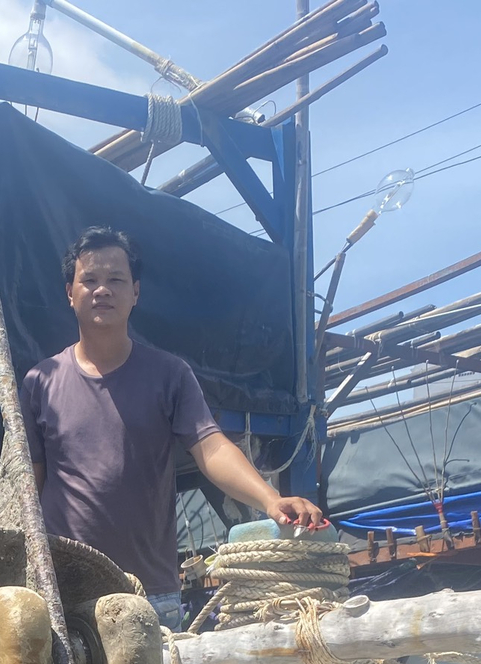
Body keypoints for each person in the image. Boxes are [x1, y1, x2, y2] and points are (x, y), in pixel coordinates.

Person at [20, 225, 328, 630]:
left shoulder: (169, 375)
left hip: (150, 596)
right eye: (89, 280)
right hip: (66, 596)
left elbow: (212, 448)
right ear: (69, 293)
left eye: (116, 279)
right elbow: (27, 489)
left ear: (136, 293)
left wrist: (271, 500)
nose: (102, 290)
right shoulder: (39, 383)